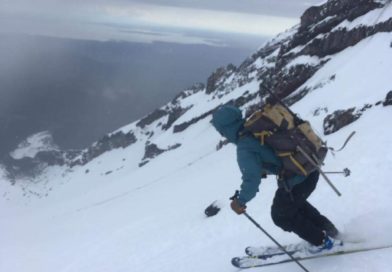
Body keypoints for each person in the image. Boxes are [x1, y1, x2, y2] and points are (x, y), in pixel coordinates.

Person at [211, 104, 340, 253]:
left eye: (221, 131)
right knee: (294, 206)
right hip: (308, 167)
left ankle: (323, 242)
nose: (222, 135)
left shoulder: (245, 147)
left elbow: (251, 181)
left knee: (281, 215)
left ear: (226, 129)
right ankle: (329, 232)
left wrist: (240, 202)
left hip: (297, 179)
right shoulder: (256, 130)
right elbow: (271, 154)